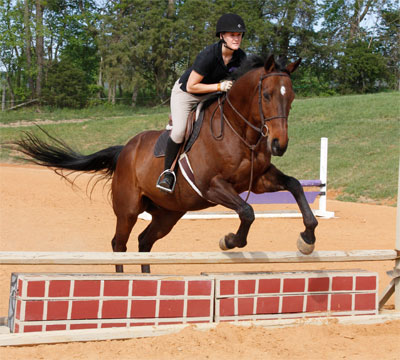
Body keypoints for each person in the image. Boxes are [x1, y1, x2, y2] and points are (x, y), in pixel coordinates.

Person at [156, 13, 247, 193]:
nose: (236, 38)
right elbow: (192, 86)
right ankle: (167, 173)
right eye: (232, 35)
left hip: (212, 93)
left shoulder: (240, 57)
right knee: (180, 130)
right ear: (222, 36)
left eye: (238, 35)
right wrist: (220, 86)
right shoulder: (208, 56)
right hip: (187, 93)